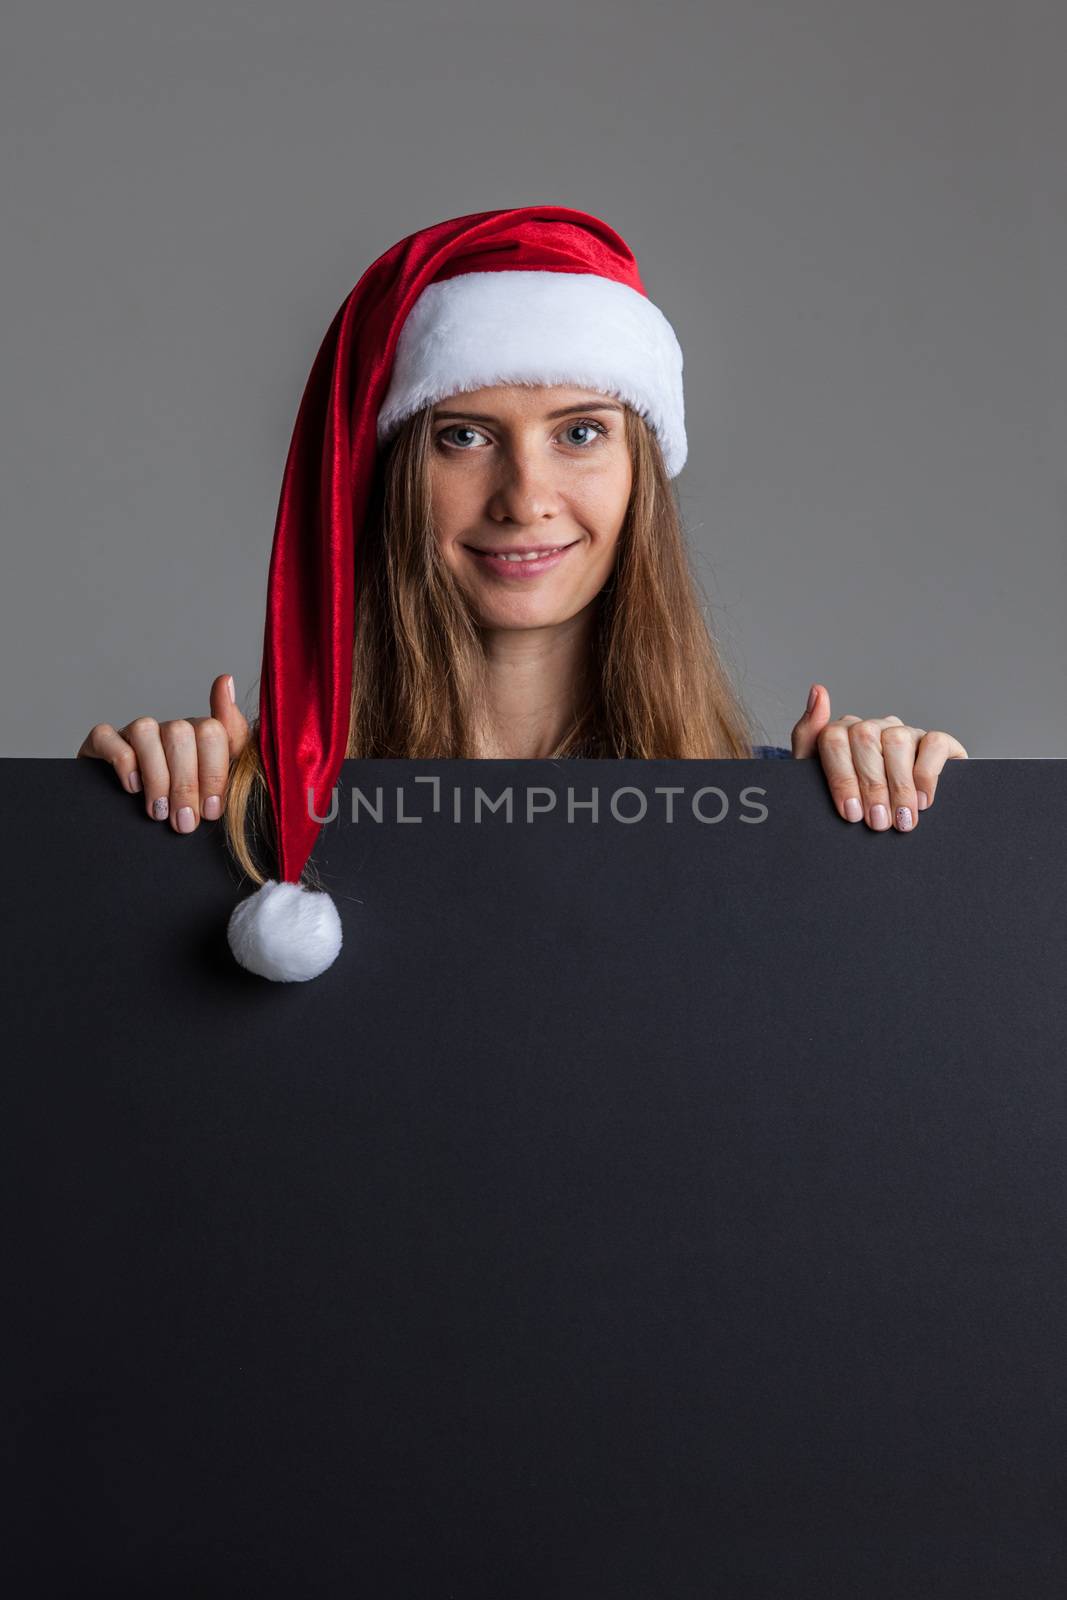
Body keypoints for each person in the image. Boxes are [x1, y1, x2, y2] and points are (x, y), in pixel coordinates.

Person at [76, 205, 967, 982]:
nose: (524, 497)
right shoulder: (254, 825)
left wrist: (887, 826)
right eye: (463, 437)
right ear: (393, 477)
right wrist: (127, 826)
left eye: (580, 432)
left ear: (638, 479)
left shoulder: (768, 815)